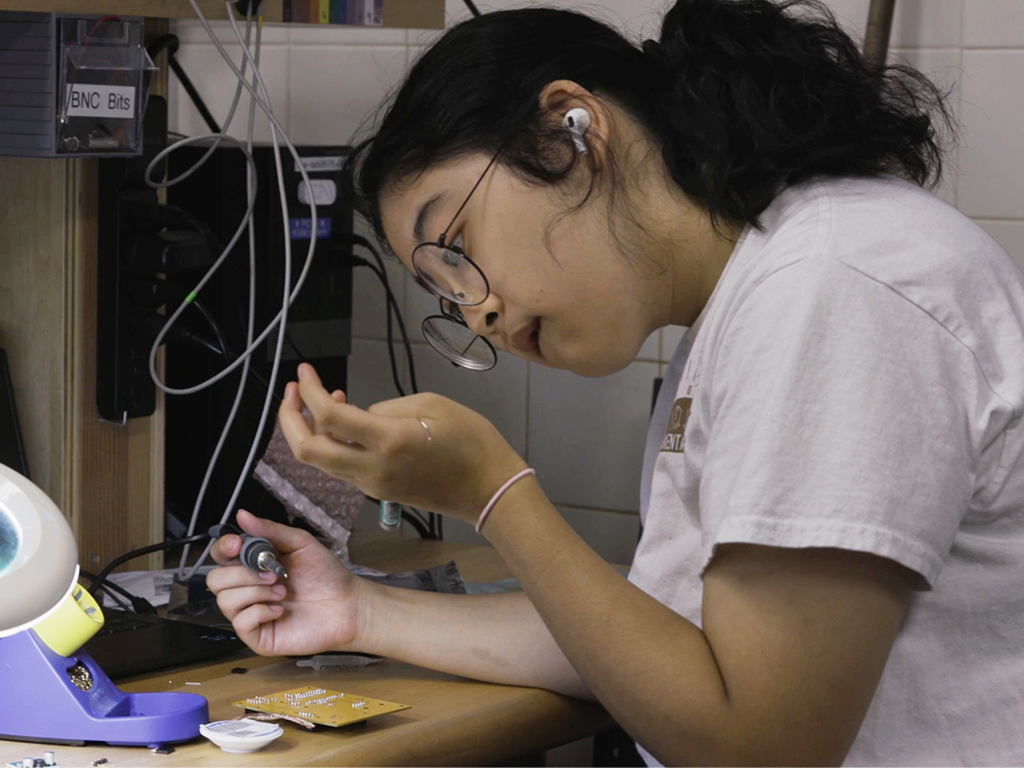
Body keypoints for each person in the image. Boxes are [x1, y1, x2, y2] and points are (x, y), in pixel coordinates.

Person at [207, 0, 1024, 764]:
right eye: (446, 294)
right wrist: (358, 612)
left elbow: (762, 745)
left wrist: (496, 495)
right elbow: (662, 643)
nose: (477, 313)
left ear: (573, 129)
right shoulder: (755, 296)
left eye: (455, 245)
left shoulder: (835, 284)